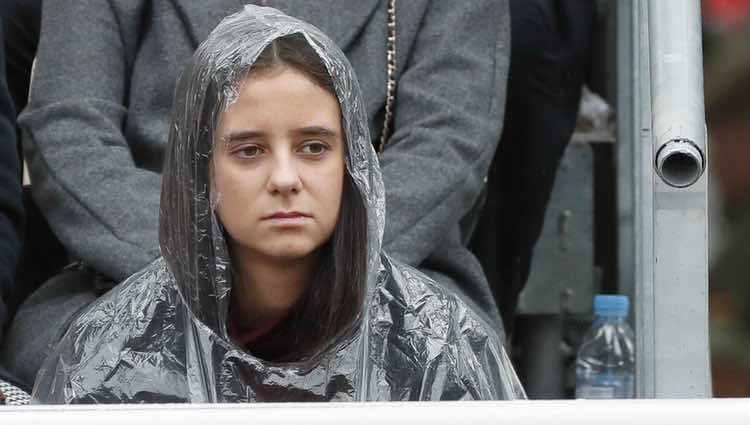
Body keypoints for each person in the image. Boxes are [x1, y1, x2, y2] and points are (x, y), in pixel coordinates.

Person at [3, 0, 511, 389]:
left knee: (444, 365)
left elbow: (450, 137)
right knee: (80, 363)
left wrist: (324, 268)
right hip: (131, 266)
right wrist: (206, 262)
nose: (284, 177)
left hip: (384, 269)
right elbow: (69, 130)